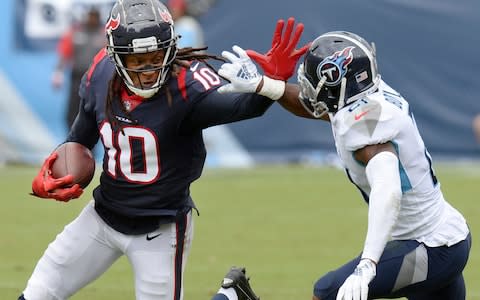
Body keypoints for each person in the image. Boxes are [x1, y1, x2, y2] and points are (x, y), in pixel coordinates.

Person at [19, 1, 307, 299]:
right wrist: (60, 164)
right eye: (136, 61)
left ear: (170, 49)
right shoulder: (101, 73)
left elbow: (241, 107)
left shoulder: (186, 86)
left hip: (159, 230)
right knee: (36, 294)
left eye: (155, 57)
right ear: (116, 57)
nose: (147, 70)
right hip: (101, 217)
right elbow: (81, 135)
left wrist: (268, 84)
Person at [212, 20, 472, 300]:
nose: (308, 87)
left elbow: (388, 191)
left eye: (314, 81)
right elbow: (319, 107)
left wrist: (367, 264)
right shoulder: (363, 95)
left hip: (430, 248)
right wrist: (263, 85)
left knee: (326, 292)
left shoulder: (365, 127)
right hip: (446, 237)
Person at [51, 6, 106, 129]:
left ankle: (90, 146)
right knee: (72, 112)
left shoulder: (104, 35)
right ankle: (72, 142)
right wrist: (58, 72)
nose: (92, 18)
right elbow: (64, 53)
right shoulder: (76, 33)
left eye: (94, 15)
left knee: (95, 112)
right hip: (77, 77)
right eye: (90, 15)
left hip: (97, 81)